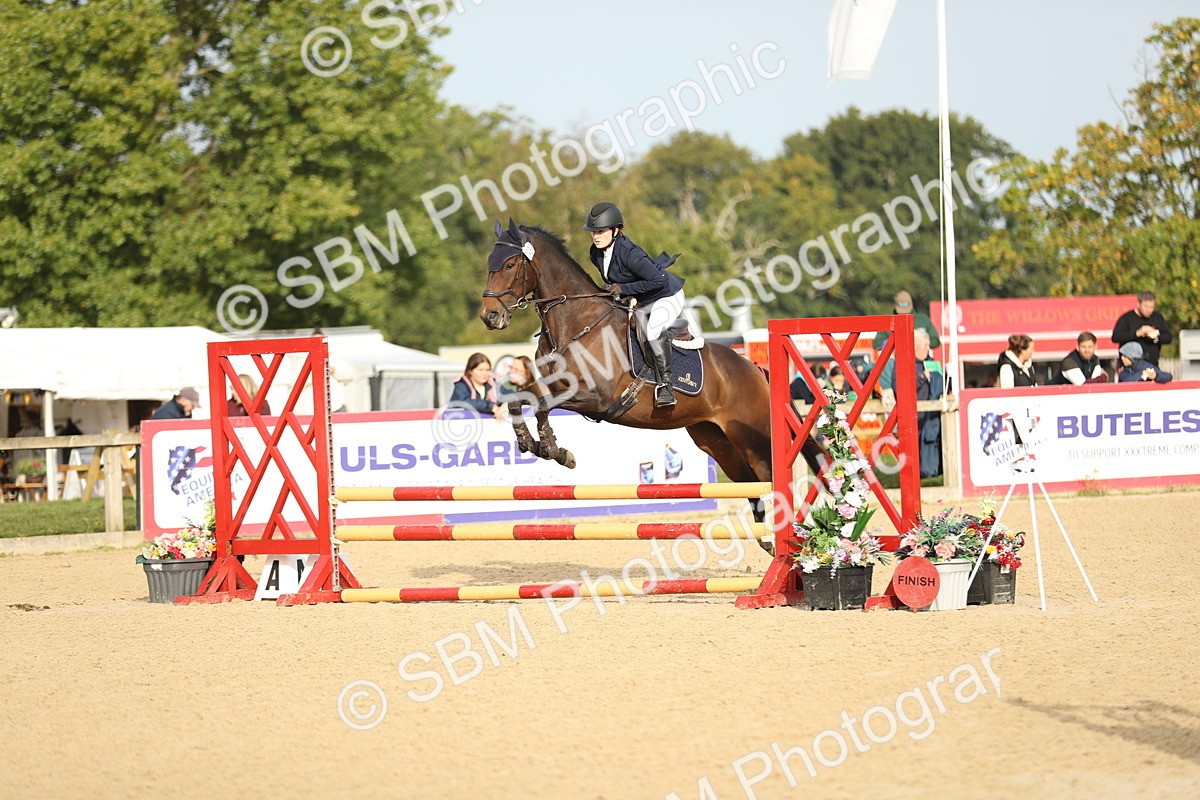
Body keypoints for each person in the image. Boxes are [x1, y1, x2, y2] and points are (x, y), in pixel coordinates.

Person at [584, 201, 685, 407]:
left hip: (666, 295)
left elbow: (657, 280)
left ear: (616, 230)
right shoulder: (596, 253)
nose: (595, 236)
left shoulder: (630, 253)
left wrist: (622, 289)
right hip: (641, 298)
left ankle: (666, 386)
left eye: (601, 231)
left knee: (654, 328)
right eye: (593, 231)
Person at [879, 329, 942, 477]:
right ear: (916, 346)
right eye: (925, 345)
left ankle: (931, 471)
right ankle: (915, 474)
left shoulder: (930, 363)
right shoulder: (903, 364)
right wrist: (922, 378)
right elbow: (900, 387)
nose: (928, 349)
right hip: (913, 417)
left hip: (930, 415)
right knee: (913, 450)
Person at [1112, 291, 1172, 367]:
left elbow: (1168, 338)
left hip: (1151, 365)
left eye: (1151, 307)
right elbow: (1116, 337)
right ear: (1139, 304)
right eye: (1146, 306)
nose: (1149, 310)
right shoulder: (1127, 318)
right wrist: (1137, 333)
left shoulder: (1157, 317)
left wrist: (1155, 336)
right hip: (1129, 368)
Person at [873, 290, 942, 351]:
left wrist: (922, 341)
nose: (904, 315)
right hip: (896, 362)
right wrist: (893, 343)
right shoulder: (888, 322)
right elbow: (876, 344)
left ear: (911, 305)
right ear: (895, 306)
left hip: (921, 361)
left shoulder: (923, 320)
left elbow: (936, 341)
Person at [449, 352, 504, 419]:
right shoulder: (461, 385)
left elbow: (512, 396)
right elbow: (464, 402)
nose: (484, 373)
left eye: (487, 370)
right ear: (470, 371)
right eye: (480, 370)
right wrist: (490, 407)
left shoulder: (493, 384)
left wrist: (505, 406)